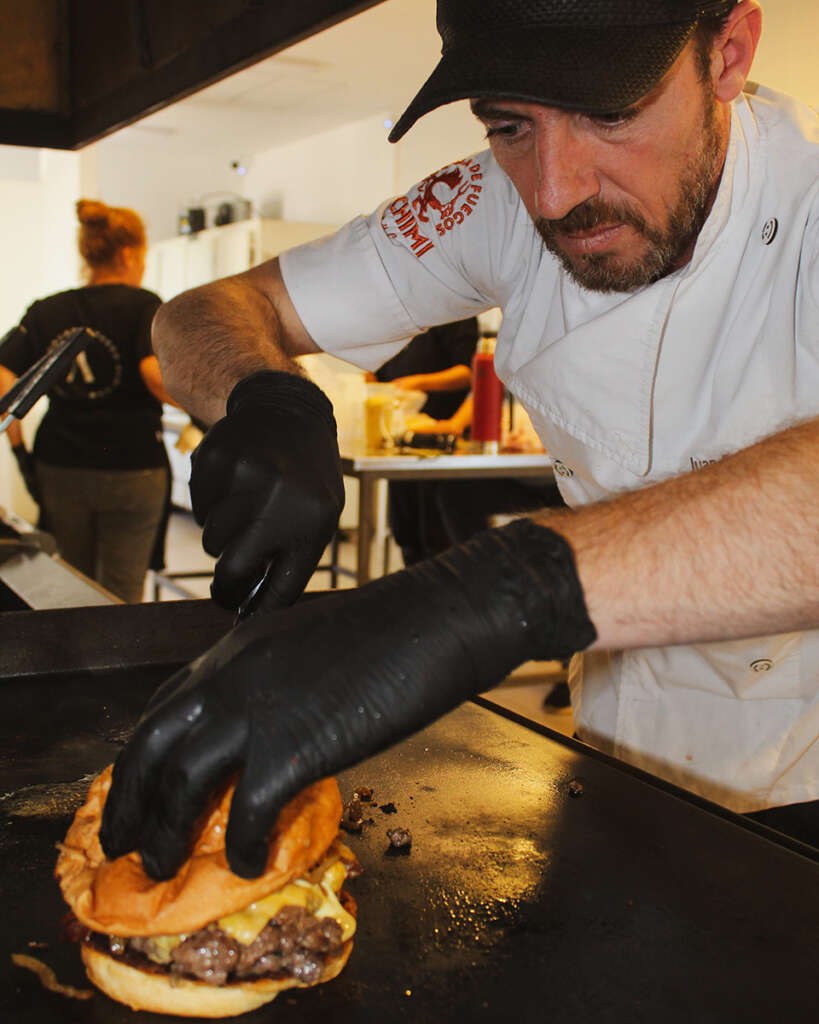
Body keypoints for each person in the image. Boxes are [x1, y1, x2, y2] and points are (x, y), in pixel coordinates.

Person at [98, 0, 819, 881]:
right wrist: (267, 397)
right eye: (509, 125)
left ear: (728, 54)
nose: (553, 192)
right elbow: (200, 314)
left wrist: (485, 597)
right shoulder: (492, 203)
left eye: (609, 113)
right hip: (617, 762)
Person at [0, 199, 177, 603]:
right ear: (128, 254)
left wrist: (19, 450)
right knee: (121, 593)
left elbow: (2, 377)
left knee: (69, 584)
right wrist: (210, 407)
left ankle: (71, 644)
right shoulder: (144, 306)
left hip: (61, 465)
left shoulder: (47, 310)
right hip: (133, 468)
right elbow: (154, 376)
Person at [375, 317, 562, 565]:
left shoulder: (567, 359)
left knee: (445, 504)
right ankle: (471, 571)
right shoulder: (510, 354)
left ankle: (469, 570)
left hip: (560, 479)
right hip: (513, 467)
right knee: (447, 498)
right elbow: (483, 390)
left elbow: (470, 375)